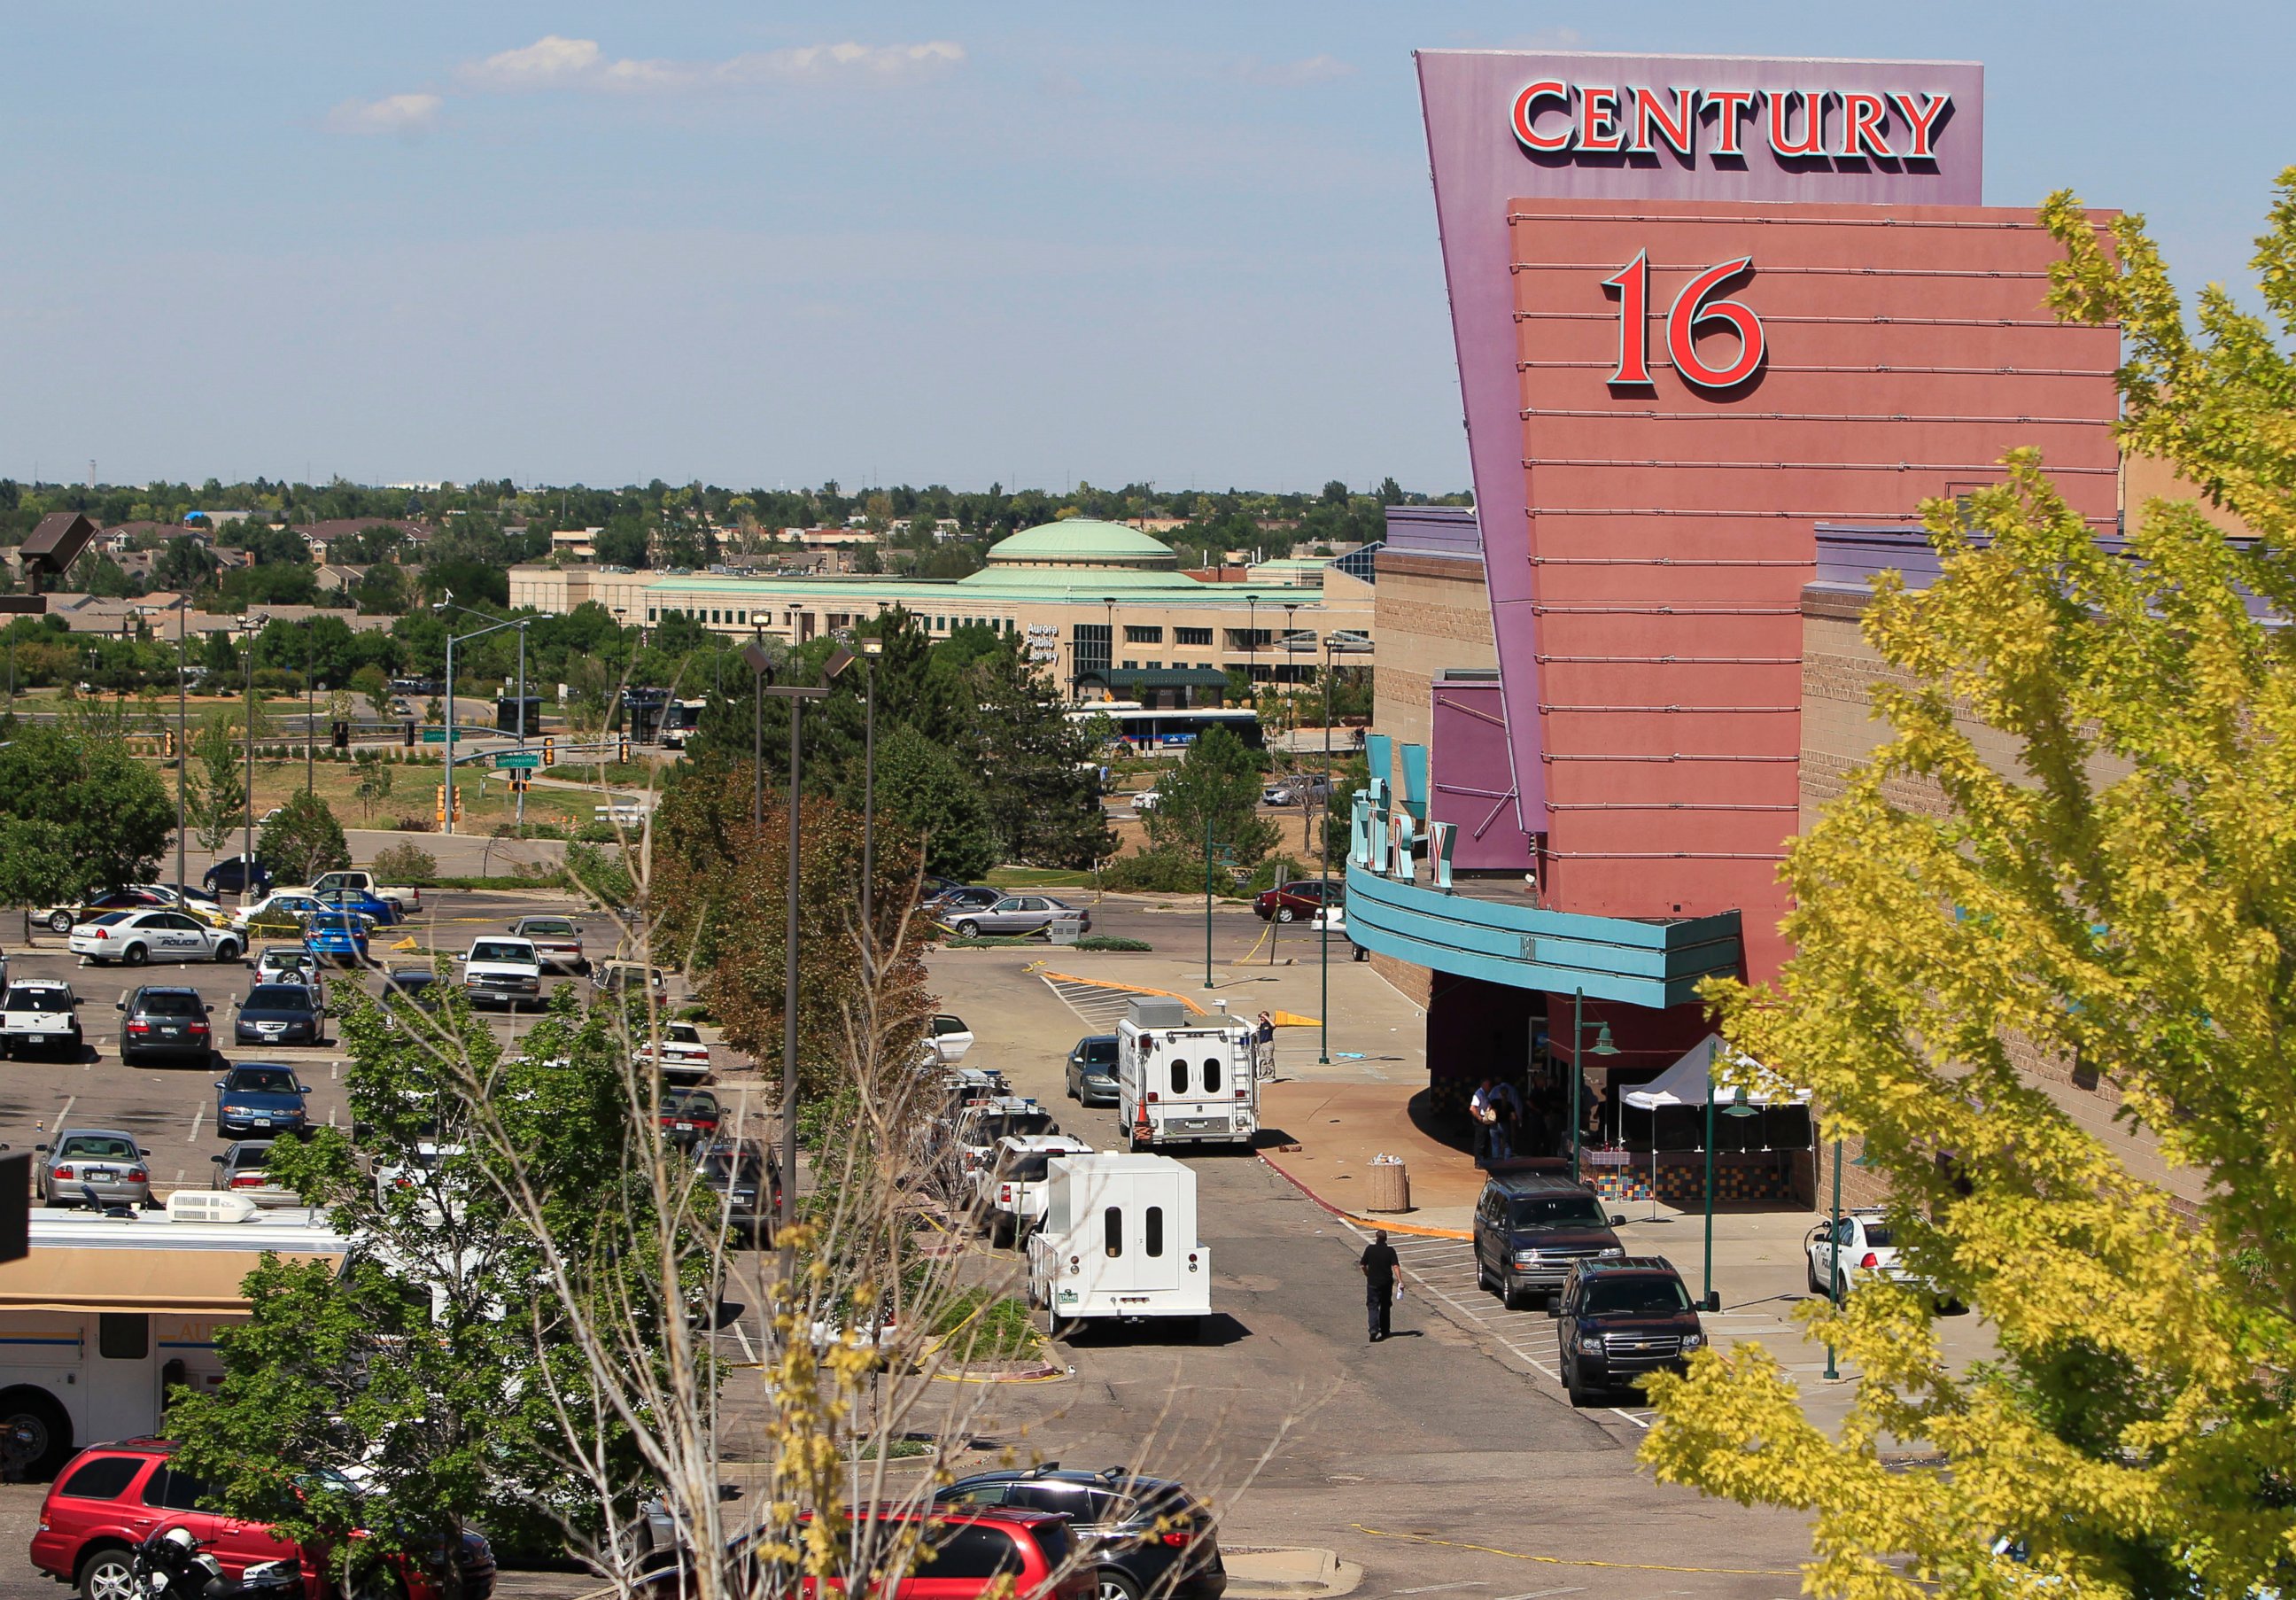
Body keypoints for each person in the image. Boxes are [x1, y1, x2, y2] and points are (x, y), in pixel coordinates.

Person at [1359, 1230, 1400, 1342]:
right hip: (1386, 1282)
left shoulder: (1370, 1249)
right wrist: (1400, 1280)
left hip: (1373, 1282)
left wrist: (1367, 1274)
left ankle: (1373, 1329)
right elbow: (1395, 1266)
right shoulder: (1390, 1251)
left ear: (1376, 1238)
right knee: (1385, 1306)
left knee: (1373, 1306)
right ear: (1386, 1239)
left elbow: (1362, 1265)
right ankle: (1385, 1330)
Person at [1469, 1076, 1500, 1165]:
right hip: (1481, 1121)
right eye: (1489, 1085)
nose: (1490, 1087)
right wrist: (1480, 1118)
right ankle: (1479, 1161)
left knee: (1486, 1141)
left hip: (1485, 1121)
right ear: (1484, 1084)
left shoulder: (1486, 1094)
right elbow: (1472, 1108)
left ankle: (1484, 1160)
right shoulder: (1478, 1094)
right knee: (1480, 1142)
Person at [1254, 1012, 1276, 1078]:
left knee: (1269, 1059)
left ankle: (1271, 1075)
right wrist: (1259, 1023)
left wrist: (1267, 1018)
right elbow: (1256, 1031)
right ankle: (1263, 1075)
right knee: (1262, 1060)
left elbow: (1274, 1025)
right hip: (1260, 1044)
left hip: (1268, 1043)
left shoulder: (1268, 1025)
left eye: (1263, 1017)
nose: (1262, 1018)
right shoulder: (1259, 1026)